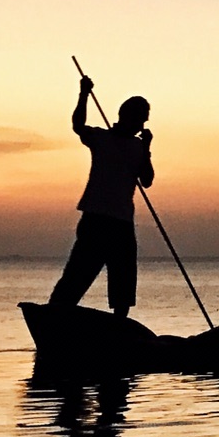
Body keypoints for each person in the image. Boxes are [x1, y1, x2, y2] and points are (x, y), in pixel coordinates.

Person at [49, 76, 154, 317]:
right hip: (97, 219)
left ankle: (118, 328)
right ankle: (53, 318)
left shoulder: (138, 148)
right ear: (130, 116)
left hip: (122, 223)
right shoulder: (101, 138)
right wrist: (84, 94)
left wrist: (147, 149)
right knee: (77, 275)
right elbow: (78, 125)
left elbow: (146, 181)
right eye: (142, 116)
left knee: (123, 281)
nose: (145, 122)